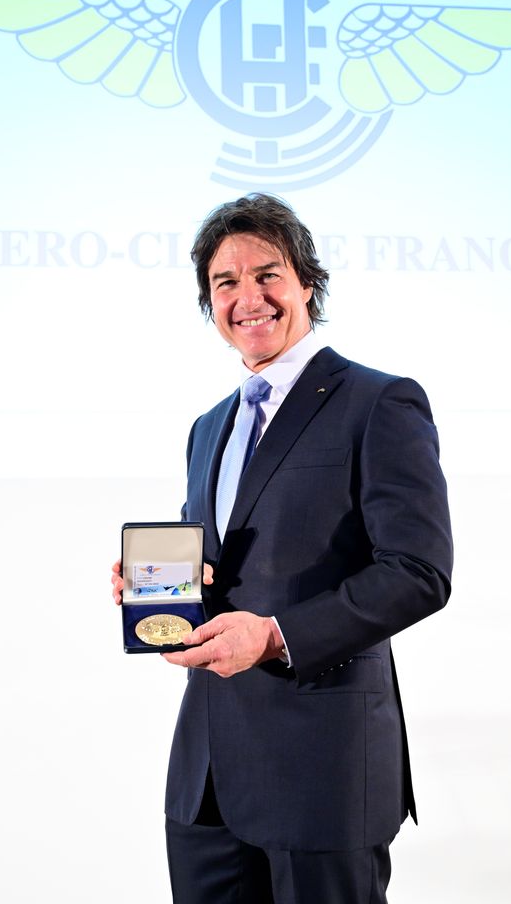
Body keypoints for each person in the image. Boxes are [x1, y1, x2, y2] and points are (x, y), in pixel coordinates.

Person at [112, 192, 453, 903]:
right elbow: (217, 572)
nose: (247, 298)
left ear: (306, 282)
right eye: (224, 283)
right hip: (207, 777)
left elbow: (419, 572)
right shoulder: (209, 427)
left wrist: (273, 636)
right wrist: (157, 585)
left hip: (321, 772)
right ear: (210, 305)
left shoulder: (378, 403)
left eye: (267, 274)